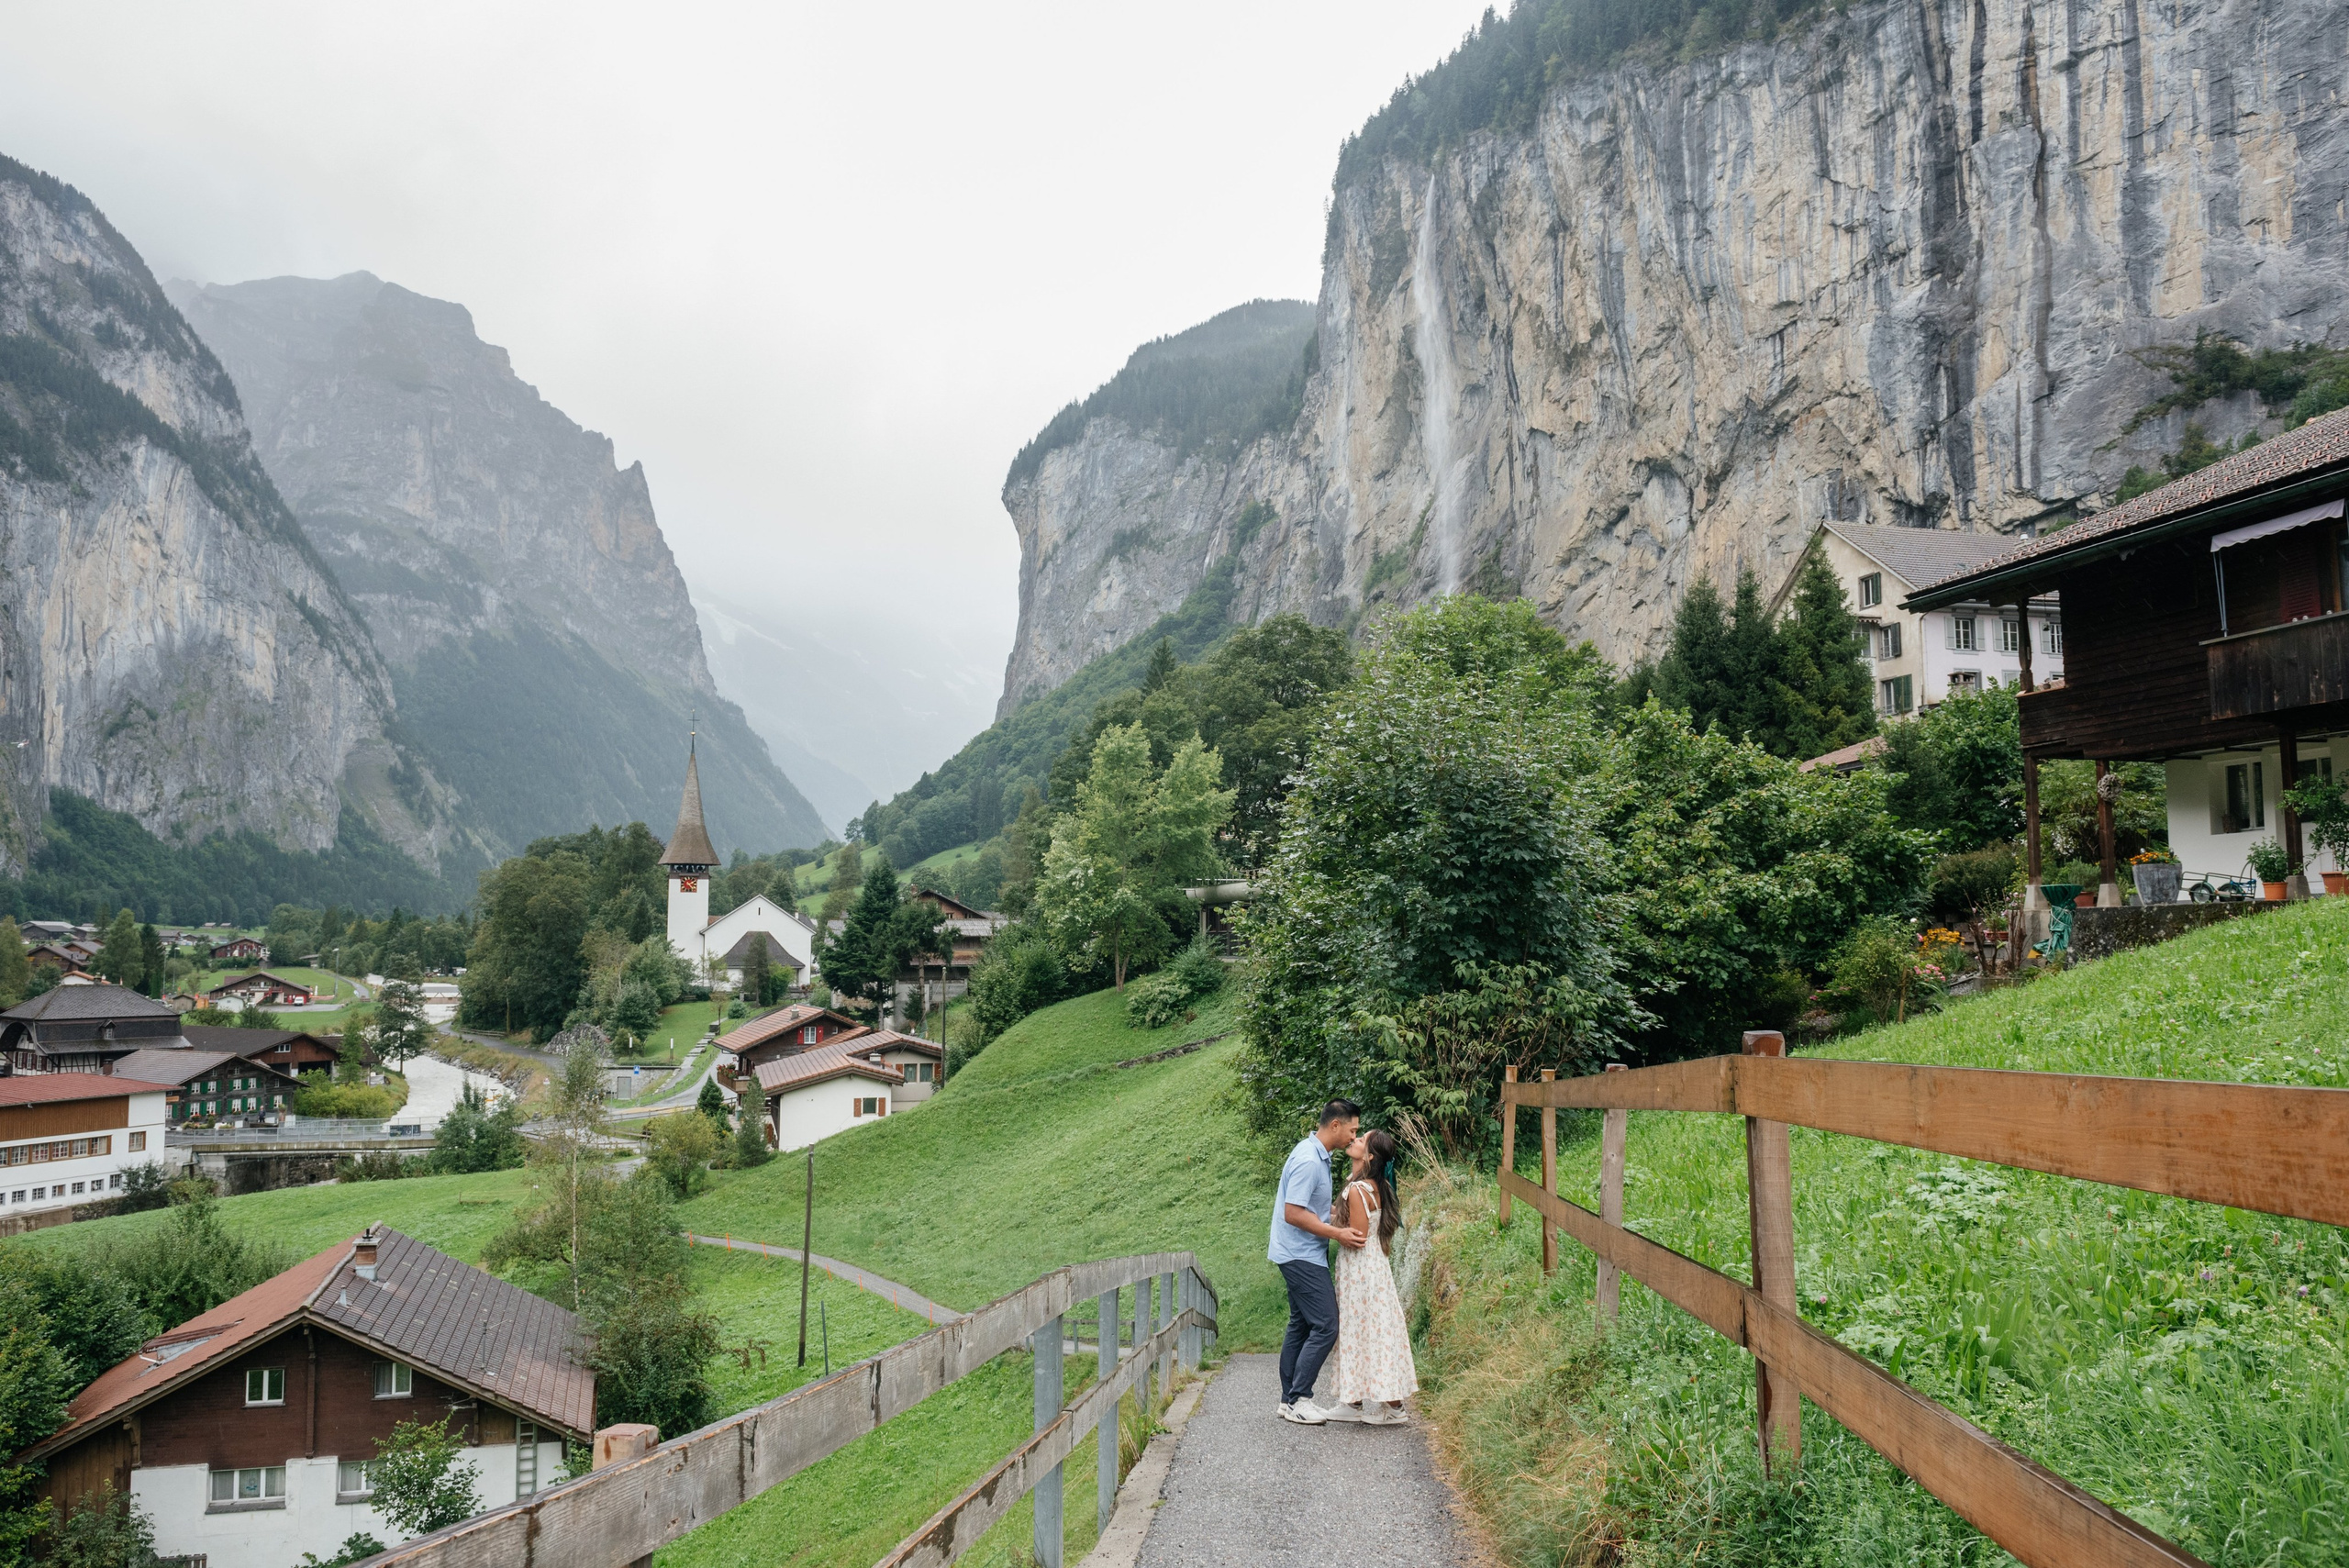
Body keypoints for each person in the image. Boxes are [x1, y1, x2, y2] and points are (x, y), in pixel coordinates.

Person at [1269, 1098, 1362, 1424]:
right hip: (1300, 1254)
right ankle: (1300, 1399)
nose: (1353, 1137)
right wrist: (1337, 1234)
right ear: (1335, 1125)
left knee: (1302, 1323)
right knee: (1326, 1324)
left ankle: (1287, 1400)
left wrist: (1336, 1216)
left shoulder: (1316, 1155)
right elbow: (1293, 1213)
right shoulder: (1310, 1160)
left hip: (1297, 1251)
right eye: (1352, 1130)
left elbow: (1309, 1208)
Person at [1324, 1128, 1418, 1424]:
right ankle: (1352, 1401)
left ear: (1370, 1155)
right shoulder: (1368, 1185)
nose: (1355, 1139)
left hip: (1362, 1271)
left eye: (1362, 1140)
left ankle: (1394, 1407)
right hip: (1373, 1269)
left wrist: (1330, 1230)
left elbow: (1358, 1235)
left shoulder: (1357, 1190)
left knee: (1365, 1331)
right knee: (1368, 1331)